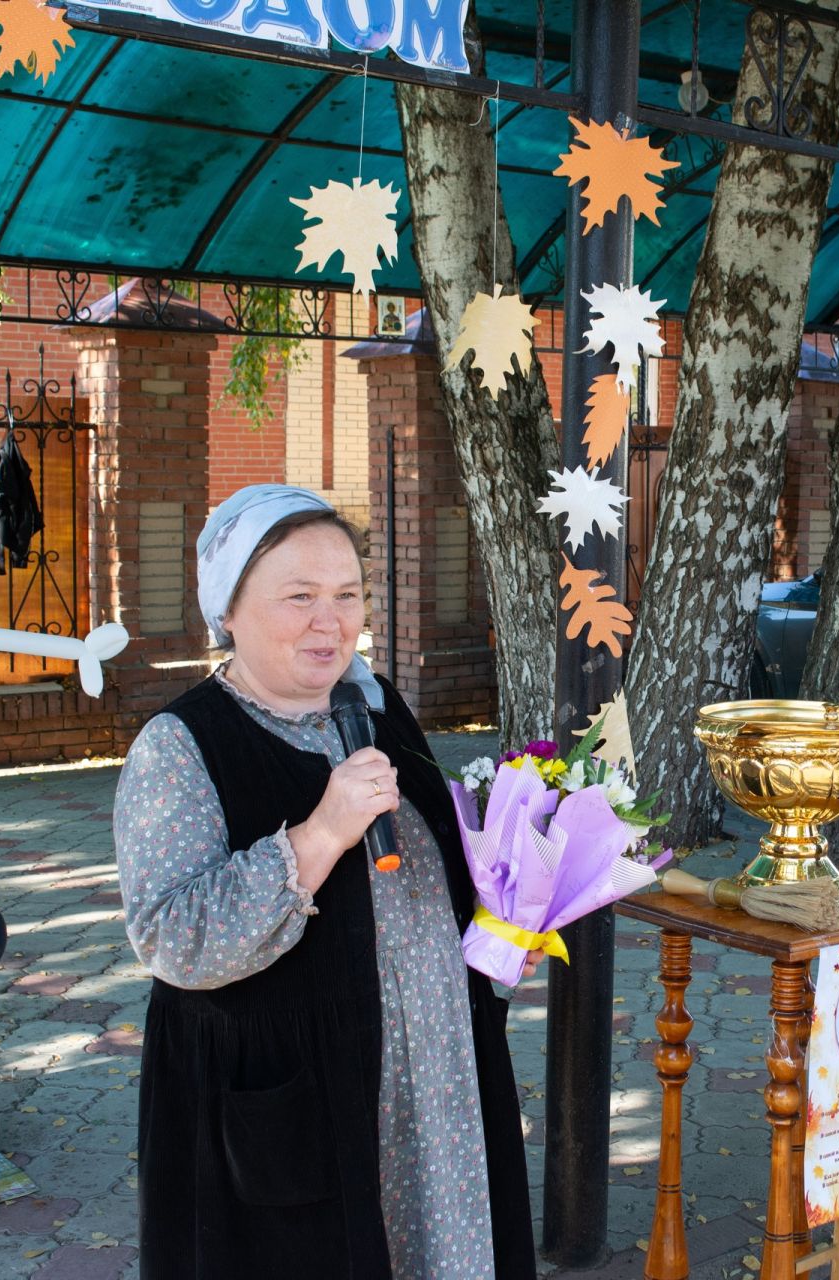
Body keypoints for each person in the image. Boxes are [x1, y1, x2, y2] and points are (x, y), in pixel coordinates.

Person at [113, 485, 536, 1280]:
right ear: (228, 611)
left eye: (347, 596)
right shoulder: (178, 745)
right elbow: (173, 938)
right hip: (292, 1100)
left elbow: (431, 879)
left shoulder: (375, 709)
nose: (329, 621)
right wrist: (320, 835)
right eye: (298, 596)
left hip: (434, 1082)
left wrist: (501, 931)